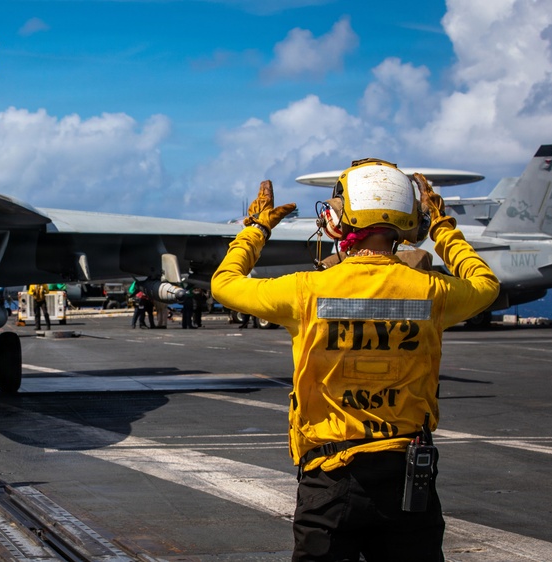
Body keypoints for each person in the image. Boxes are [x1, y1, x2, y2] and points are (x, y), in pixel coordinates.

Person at [211, 161, 500, 561]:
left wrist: (256, 229)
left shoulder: (306, 290)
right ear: (408, 223)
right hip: (407, 476)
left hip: (329, 478)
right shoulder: (432, 292)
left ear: (337, 221)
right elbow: (486, 284)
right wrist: (443, 228)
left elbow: (224, 283)